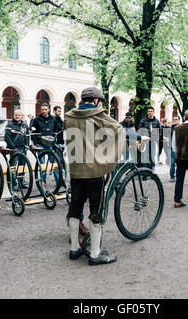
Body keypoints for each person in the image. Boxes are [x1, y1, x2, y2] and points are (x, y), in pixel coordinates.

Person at [64, 87, 125, 266]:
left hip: (76, 170)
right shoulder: (99, 115)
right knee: (96, 211)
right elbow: (118, 130)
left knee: (75, 209)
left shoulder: (69, 116)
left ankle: (74, 248)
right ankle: (95, 253)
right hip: (94, 171)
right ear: (97, 100)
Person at [30, 103, 63, 182]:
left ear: (48, 110)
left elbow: (55, 131)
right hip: (40, 145)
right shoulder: (36, 119)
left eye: (45, 109)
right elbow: (32, 132)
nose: (44, 111)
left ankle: (59, 181)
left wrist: (54, 140)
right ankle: (42, 181)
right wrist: (36, 143)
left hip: (50, 145)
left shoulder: (53, 119)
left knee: (55, 163)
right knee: (42, 164)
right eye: (42, 109)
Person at [4, 110, 30, 190]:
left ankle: (21, 182)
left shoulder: (25, 125)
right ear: (13, 115)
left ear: (21, 116)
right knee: (13, 167)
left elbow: (27, 135)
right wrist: (13, 147)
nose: (17, 116)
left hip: (23, 148)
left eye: (19, 115)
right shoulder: (9, 125)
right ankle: (14, 184)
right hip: (14, 149)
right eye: (15, 115)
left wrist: (27, 145)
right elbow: (7, 137)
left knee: (22, 166)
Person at [169, 115, 180, 182]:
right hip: (172, 148)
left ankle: (178, 177)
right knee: (172, 163)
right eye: (174, 119)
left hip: (179, 148)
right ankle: (172, 177)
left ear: (179, 120)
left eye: (176, 119)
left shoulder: (181, 128)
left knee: (179, 164)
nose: (175, 120)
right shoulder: (170, 128)